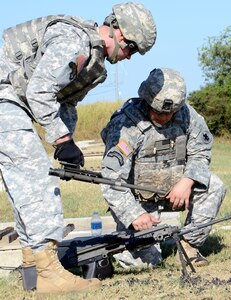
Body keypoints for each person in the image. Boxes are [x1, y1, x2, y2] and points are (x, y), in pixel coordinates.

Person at [0, 2, 156, 296]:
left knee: (24, 185)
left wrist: (67, 143)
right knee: (35, 178)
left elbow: (66, 103)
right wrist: (61, 141)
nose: (129, 57)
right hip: (4, 94)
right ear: (119, 33)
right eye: (132, 49)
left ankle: (32, 270)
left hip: (14, 99)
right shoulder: (74, 40)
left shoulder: (96, 66)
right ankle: (47, 273)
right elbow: (39, 91)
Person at [101, 67, 226, 270]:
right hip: (139, 203)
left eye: (171, 112)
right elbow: (111, 179)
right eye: (159, 112)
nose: (166, 117)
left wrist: (187, 181)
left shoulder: (188, 116)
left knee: (215, 185)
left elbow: (201, 153)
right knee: (143, 264)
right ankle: (144, 244)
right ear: (147, 101)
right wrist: (134, 214)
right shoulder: (126, 123)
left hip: (177, 193)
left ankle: (189, 245)